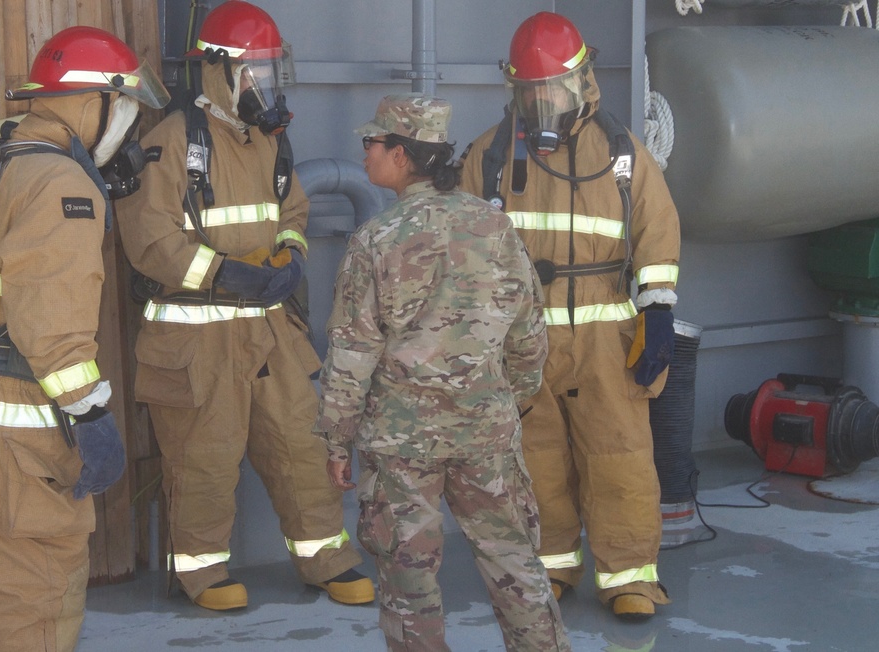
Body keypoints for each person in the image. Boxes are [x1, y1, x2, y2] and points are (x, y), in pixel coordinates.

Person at [0, 26, 170, 651]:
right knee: (27, 595)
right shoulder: (60, 182)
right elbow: (53, 324)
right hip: (10, 426)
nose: (128, 126)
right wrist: (91, 413)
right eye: (124, 107)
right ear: (92, 103)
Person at [115, 0, 373, 611]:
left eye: (271, 72)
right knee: (203, 462)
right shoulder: (170, 142)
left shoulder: (269, 142)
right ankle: (201, 574)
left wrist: (290, 257)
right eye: (253, 72)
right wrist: (227, 274)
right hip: (197, 343)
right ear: (218, 73)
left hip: (270, 335)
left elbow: (294, 212)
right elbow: (151, 241)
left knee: (300, 449)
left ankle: (327, 560)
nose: (264, 86)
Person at [315, 93, 572, 652]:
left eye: (372, 144)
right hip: (486, 431)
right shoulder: (495, 227)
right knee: (517, 568)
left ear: (402, 155)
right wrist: (507, 400)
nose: (364, 155)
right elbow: (529, 331)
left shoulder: (376, 240)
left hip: (402, 442)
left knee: (409, 581)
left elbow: (351, 353)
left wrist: (337, 441)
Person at [459, 12, 681, 620]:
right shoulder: (488, 158)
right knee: (535, 459)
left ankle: (630, 576)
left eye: (552, 88)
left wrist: (657, 314)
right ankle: (549, 568)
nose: (542, 101)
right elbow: (467, 252)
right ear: (515, 89)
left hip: (604, 338)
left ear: (581, 83)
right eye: (530, 90)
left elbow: (657, 238)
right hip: (520, 342)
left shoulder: (623, 155)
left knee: (620, 455)